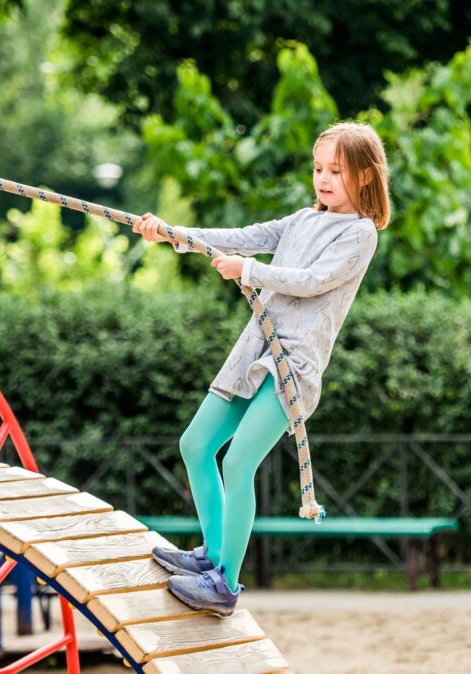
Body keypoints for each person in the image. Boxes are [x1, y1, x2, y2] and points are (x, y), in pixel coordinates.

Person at [131, 121, 390, 616]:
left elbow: (312, 281)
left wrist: (246, 270)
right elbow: (243, 236)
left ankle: (225, 583)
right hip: (253, 350)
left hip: (290, 367)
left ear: (365, 176)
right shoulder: (301, 220)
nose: (324, 178)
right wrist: (174, 234)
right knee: (196, 444)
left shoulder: (359, 235)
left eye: (336, 170)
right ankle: (211, 554)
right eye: (318, 168)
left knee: (238, 461)